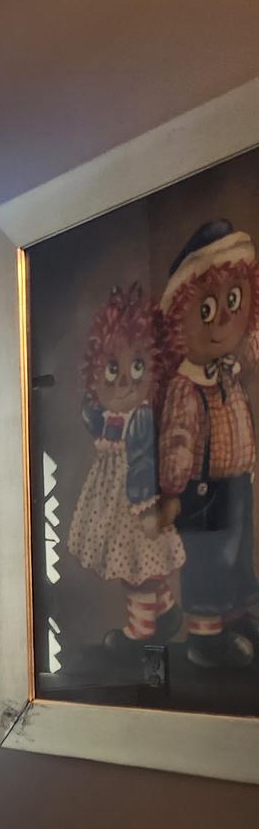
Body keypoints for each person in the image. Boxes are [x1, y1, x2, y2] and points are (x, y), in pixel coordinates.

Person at [157, 220, 259, 668]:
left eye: (231, 304)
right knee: (207, 560)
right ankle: (205, 634)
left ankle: (235, 616)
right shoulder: (187, 384)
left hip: (236, 482)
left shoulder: (229, 368)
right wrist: (174, 488)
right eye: (205, 310)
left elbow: (251, 344)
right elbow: (178, 437)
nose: (220, 323)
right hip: (203, 491)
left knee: (237, 555)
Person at [66, 283, 183, 650]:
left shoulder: (141, 417)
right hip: (111, 504)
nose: (125, 380)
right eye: (112, 367)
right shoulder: (113, 413)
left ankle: (140, 631)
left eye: (137, 365)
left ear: (155, 367)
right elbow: (100, 427)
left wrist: (142, 505)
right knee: (144, 570)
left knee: (136, 572)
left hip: (133, 506)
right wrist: (92, 414)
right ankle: (165, 613)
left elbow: (141, 463)